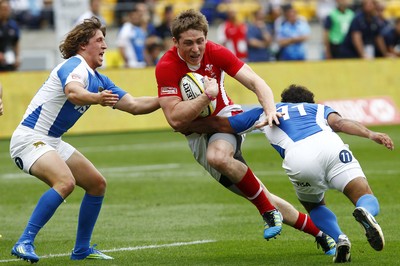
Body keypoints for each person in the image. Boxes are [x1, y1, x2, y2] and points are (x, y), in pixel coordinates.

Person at [155, 10, 337, 255]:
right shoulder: (166, 66)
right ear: (175, 42)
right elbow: (175, 120)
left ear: (206, 37)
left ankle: (267, 212)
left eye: (200, 41)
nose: (196, 48)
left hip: (227, 118)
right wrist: (205, 97)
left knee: (218, 157)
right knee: (261, 193)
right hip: (196, 135)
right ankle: (320, 234)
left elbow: (255, 81)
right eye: (188, 43)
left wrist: (270, 109)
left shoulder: (216, 52)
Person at [186, 84, 394, 263]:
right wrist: (370, 133)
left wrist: (186, 124)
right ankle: (365, 211)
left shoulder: (269, 110)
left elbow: (223, 124)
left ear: (283, 101)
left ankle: (339, 238)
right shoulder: (319, 108)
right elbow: (340, 123)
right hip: (331, 147)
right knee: (363, 194)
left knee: (314, 206)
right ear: (310, 100)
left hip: (300, 159)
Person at [9, 16, 160, 263]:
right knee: (65, 182)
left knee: (96, 184)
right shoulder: (74, 66)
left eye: (104, 40)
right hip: (29, 138)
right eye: (99, 40)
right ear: (83, 45)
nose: (105, 46)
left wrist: (168, 98)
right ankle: (24, 241)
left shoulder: (99, 79)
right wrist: (97, 98)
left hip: (51, 140)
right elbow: (73, 92)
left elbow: (134, 105)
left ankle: (81, 249)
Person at [0, 0, 20, 71]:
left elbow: (16, 42)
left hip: (10, 60)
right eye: (3, 9)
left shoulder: (14, 25)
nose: (5, 11)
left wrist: (17, 57)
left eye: (7, 9)